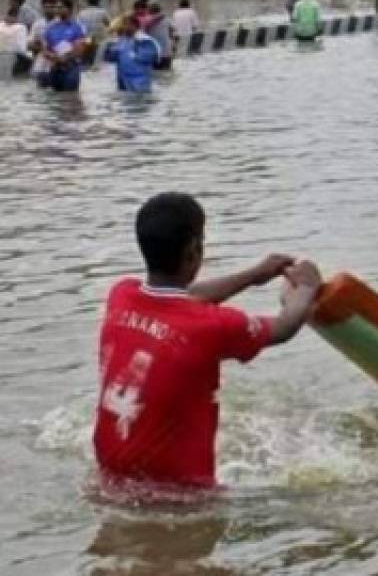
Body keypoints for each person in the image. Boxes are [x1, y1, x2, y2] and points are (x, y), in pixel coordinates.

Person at [92, 192, 322, 488]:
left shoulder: (121, 295)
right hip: (182, 499)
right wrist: (306, 287)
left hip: (109, 479)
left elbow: (187, 298)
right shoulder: (213, 327)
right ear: (193, 251)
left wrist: (253, 275)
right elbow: (283, 327)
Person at [38, 0, 89, 91]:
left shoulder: (77, 27)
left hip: (71, 69)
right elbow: (44, 49)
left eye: (61, 7)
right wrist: (53, 57)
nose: (57, 10)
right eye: (57, 7)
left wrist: (66, 58)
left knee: (70, 98)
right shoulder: (51, 28)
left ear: (69, 9)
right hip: (54, 68)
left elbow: (80, 49)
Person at [102, 14, 161, 93]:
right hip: (123, 83)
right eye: (123, 24)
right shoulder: (121, 41)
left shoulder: (144, 40)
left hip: (139, 84)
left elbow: (149, 58)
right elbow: (110, 58)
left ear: (135, 25)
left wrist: (133, 50)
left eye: (126, 24)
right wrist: (108, 47)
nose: (124, 27)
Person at [78, 0, 109, 67]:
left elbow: (78, 26)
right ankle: (96, 66)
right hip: (99, 38)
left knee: (87, 55)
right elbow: (108, 23)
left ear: (88, 1)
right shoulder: (102, 12)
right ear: (98, 1)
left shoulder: (82, 13)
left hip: (87, 38)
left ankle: (87, 65)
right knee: (99, 53)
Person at [0, 2, 30, 77]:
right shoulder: (1, 25)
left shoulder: (21, 27)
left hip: (16, 54)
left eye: (13, 16)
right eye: (8, 16)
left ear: (16, 18)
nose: (10, 18)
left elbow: (21, 47)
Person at [144, 2, 174, 70]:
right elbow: (173, 33)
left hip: (153, 54)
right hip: (166, 53)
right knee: (166, 74)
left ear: (149, 10)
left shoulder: (146, 20)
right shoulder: (167, 20)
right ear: (160, 9)